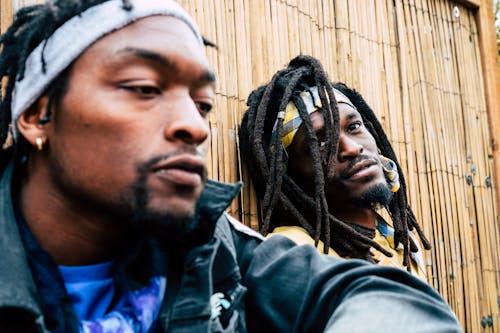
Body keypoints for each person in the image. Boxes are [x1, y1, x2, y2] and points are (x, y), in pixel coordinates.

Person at [0, 1, 461, 332]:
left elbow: (390, 300)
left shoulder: (215, 249)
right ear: (39, 115)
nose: (193, 127)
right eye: (143, 88)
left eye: (202, 106)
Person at [239, 56, 430, 279]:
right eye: (318, 142)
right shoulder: (292, 253)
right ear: (288, 175)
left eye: (354, 126)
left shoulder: (402, 243)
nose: (351, 148)